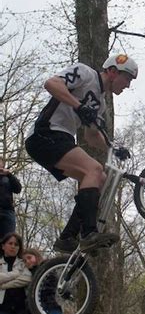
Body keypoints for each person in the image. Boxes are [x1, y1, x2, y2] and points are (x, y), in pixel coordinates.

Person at [25, 54, 137, 253]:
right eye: (127, 78)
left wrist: (112, 147)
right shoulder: (85, 73)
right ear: (112, 72)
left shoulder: (100, 104)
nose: (128, 85)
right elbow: (51, 83)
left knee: (99, 178)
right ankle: (89, 233)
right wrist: (79, 106)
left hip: (62, 138)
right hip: (45, 132)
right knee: (94, 168)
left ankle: (68, 236)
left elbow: (92, 136)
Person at [0, 233, 31, 314]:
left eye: (16, 244)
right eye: (10, 243)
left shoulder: (23, 262)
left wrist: (4, 285)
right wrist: (16, 274)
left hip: (21, 309)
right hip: (2, 309)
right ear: (3, 246)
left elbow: (27, 278)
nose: (13, 247)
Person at [0, 160, 22, 239]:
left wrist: (9, 174)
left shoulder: (8, 178)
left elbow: (18, 189)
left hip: (7, 211)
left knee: (8, 238)